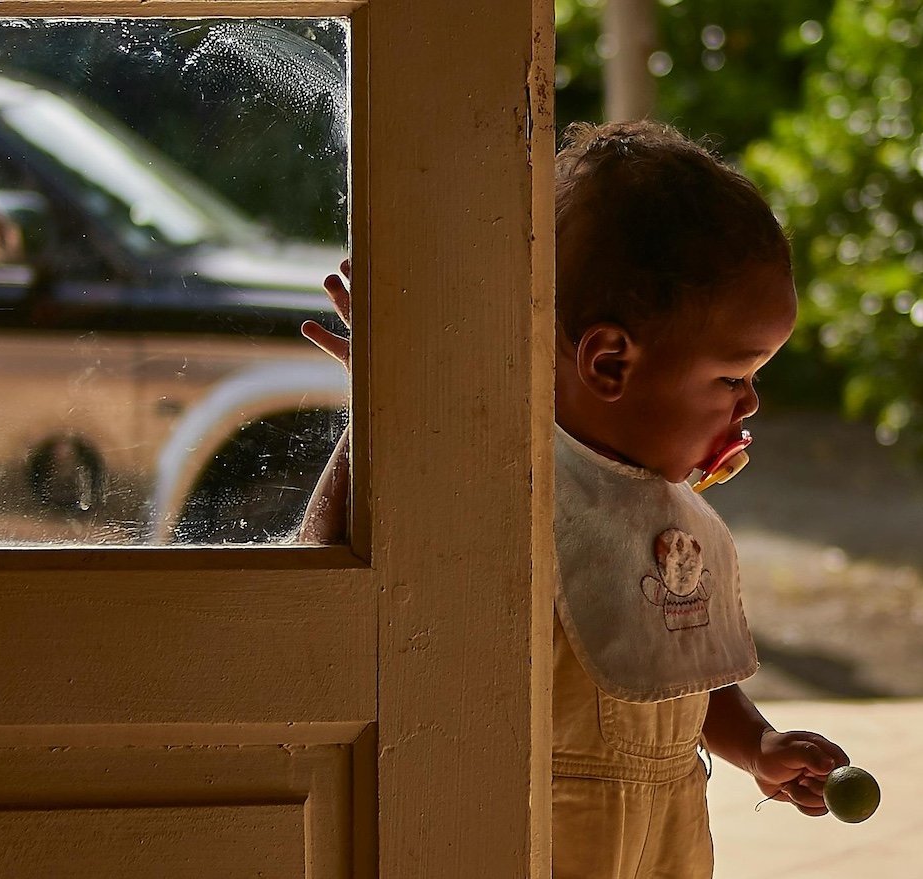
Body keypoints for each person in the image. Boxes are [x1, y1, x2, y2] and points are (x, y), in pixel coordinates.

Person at [300, 119, 849, 878]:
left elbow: (670, 650)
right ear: (611, 362)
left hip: (666, 837)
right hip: (534, 837)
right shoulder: (503, 476)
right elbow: (325, 568)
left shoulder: (660, 508)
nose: (751, 402)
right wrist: (388, 405)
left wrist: (754, 743)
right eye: (733, 376)